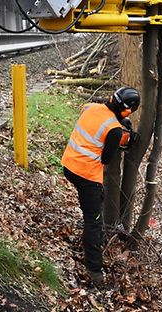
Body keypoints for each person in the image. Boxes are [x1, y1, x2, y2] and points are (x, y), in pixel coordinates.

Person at [61, 87, 140, 286]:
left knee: (95, 206)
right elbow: (107, 157)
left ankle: (93, 242)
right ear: (127, 111)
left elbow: (91, 117)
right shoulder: (113, 129)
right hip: (85, 175)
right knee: (93, 222)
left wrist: (118, 126)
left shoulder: (90, 107)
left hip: (68, 164)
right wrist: (125, 138)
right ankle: (94, 271)